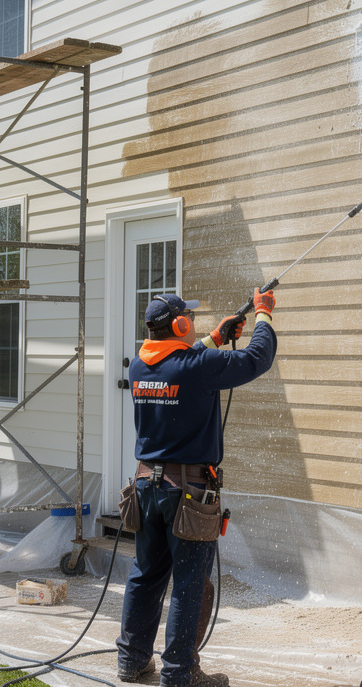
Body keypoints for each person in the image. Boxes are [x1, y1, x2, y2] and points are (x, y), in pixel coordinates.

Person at [116, 288, 278, 687]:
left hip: (145, 488)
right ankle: (180, 674)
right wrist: (263, 315)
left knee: (145, 575)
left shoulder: (140, 365)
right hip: (188, 494)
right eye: (186, 319)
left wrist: (216, 337)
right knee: (189, 584)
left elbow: (179, 363)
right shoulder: (197, 366)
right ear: (179, 325)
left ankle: (132, 663)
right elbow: (258, 358)